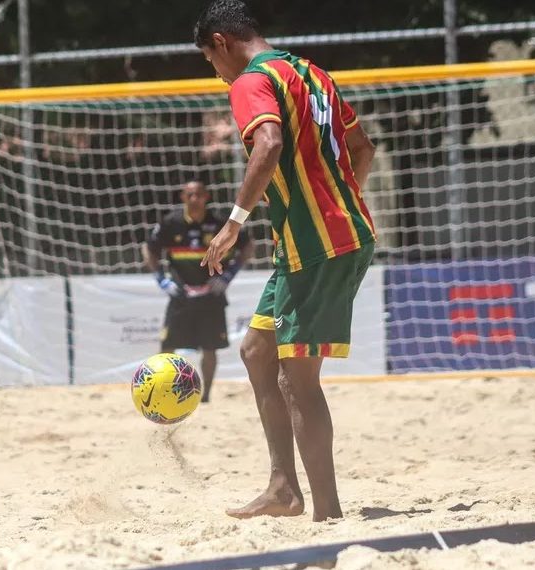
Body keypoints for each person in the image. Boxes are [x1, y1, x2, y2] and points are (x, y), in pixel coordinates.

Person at [194, 0, 377, 522]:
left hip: (318, 245)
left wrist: (233, 222)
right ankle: (282, 489)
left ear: (222, 43)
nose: (216, 72)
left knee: (298, 381)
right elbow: (363, 149)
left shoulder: (250, 81)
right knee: (257, 352)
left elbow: (268, 143)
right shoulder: (313, 74)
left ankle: (328, 514)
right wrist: (337, 208)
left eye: (211, 61)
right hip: (317, 240)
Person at [143, 180, 253, 403]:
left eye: (199, 195)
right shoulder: (171, 222)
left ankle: (206, 396)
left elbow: (248, 246)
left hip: (211, 296)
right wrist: (162, 280)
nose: (195, 199)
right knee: (168, 347)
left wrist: (227, 277)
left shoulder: (220, 223)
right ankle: (161, 392)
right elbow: (148, 249)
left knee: (210, 347)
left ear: (207, 197)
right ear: (183, 197)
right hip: (181, 294)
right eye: (190, 195)